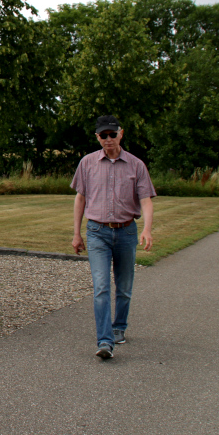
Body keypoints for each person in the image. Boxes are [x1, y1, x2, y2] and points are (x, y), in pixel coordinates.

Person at [71, 115, 156, 360]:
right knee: (101, 287)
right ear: (97, 137)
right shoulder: (87, 163)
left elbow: (145, 200)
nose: (108, 139)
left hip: (127, 232)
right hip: (97, 232)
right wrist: (77, 233)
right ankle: (105, 341)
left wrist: (147, 229)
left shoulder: (136, 165)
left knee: (125, 287)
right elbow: (80, 199)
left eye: (112, 134)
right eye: (103, 135)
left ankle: (119, 328)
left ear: (121, 134)